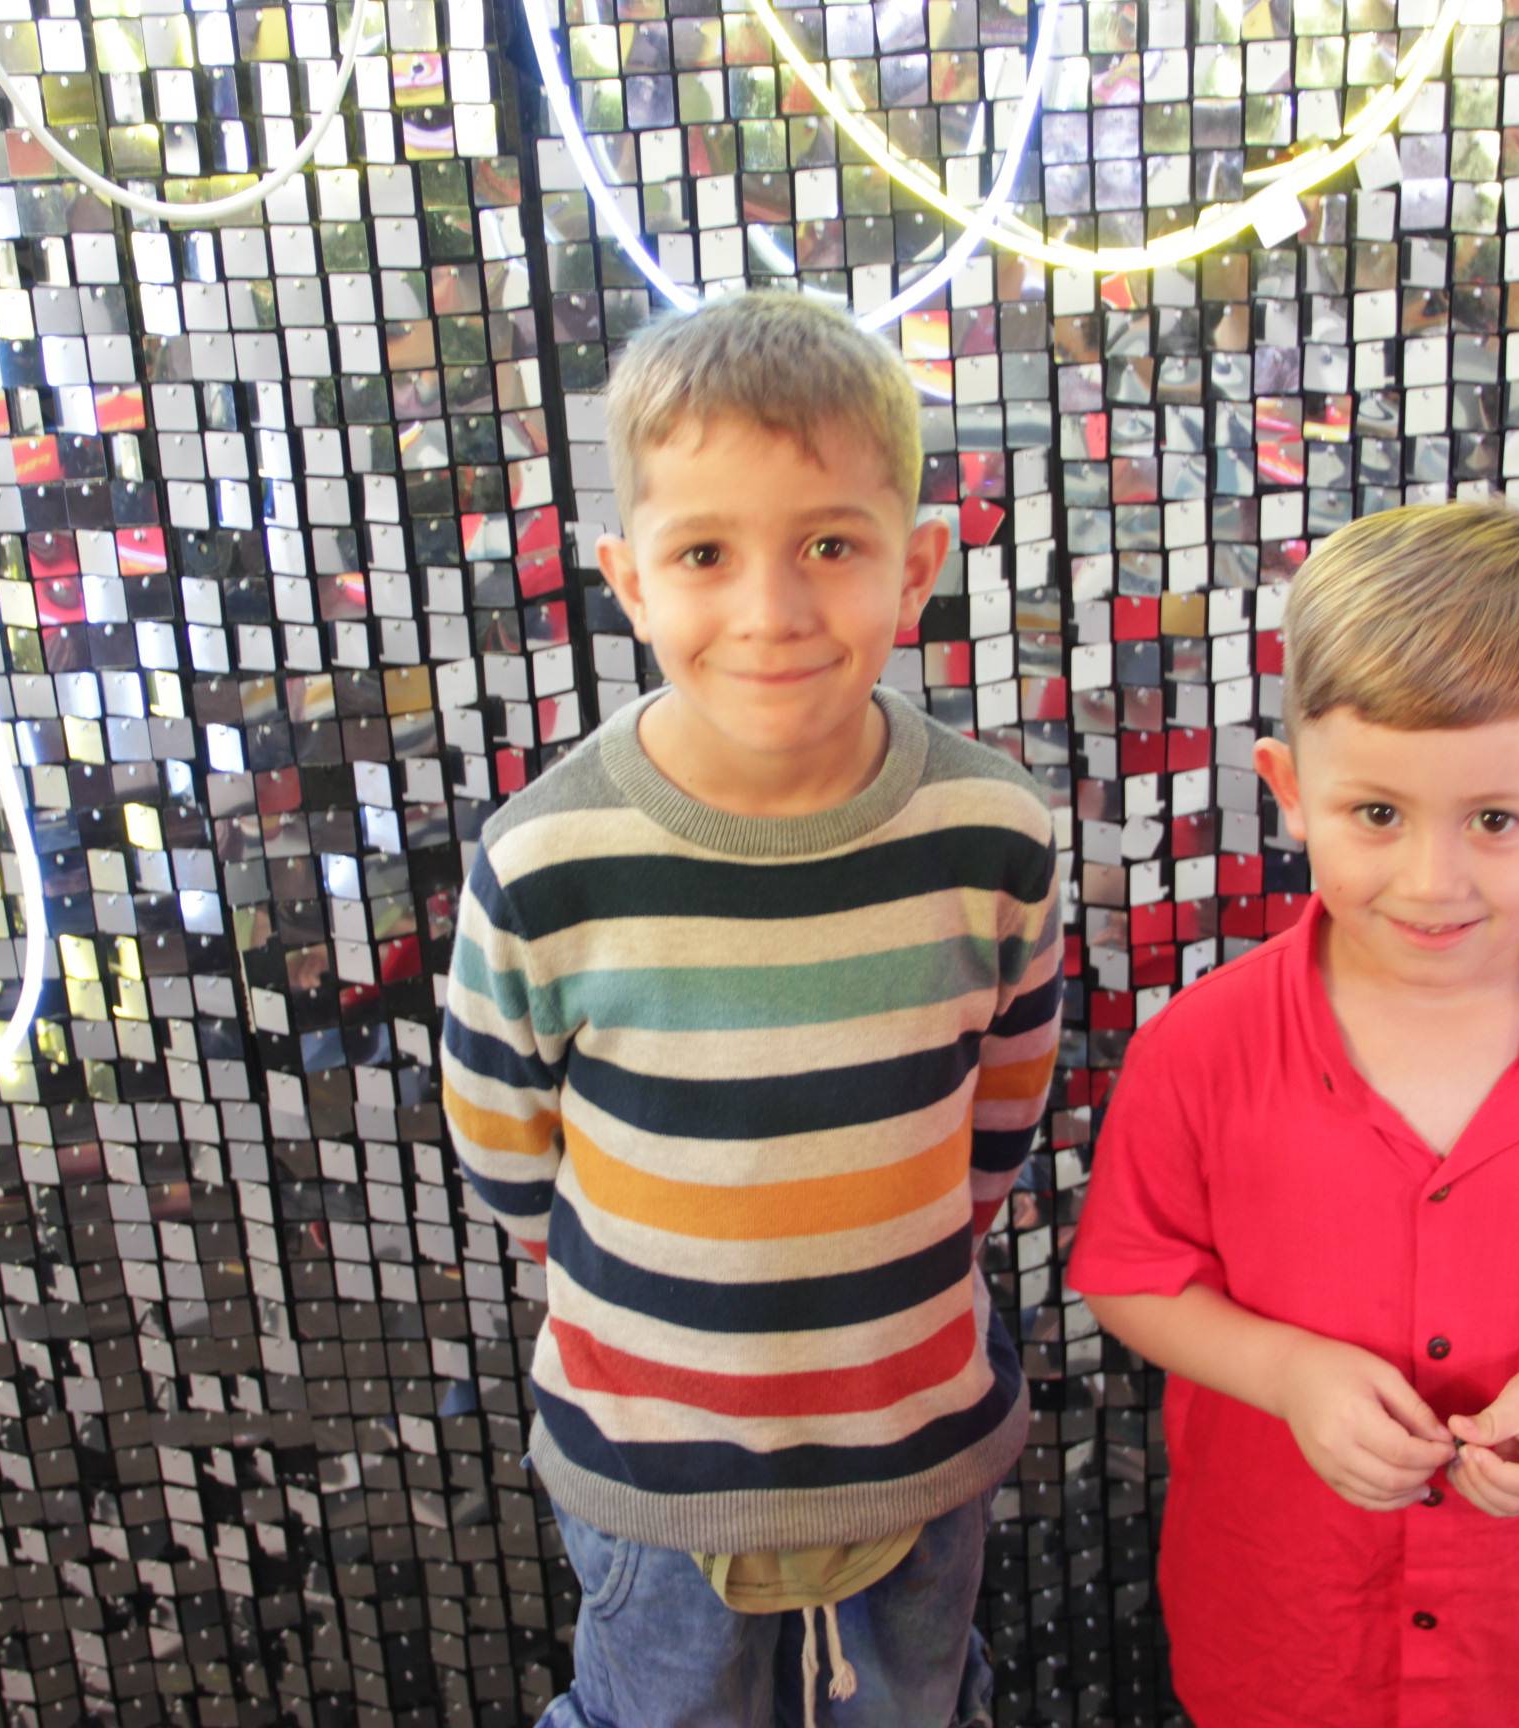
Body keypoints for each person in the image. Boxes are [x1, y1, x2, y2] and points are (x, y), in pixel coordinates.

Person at [1067, 501, 1519, 1727]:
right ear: (1290, 791)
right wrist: (1286, 1372)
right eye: (1378, 815)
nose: (1433, 880)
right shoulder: (1199, 1048)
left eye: (1496, 821)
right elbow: (1131, 1276)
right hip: (1276, 1619)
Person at [440, 292, 1062, 1728]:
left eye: (829, 546)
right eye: (706, 554)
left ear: (914, 569)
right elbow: (508, 1157)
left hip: (917, 1443)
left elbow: (1001, 1116)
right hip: (655, 1470)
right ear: (630, 580)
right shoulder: (546, 861)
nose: (772, 612)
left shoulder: (992, 832)